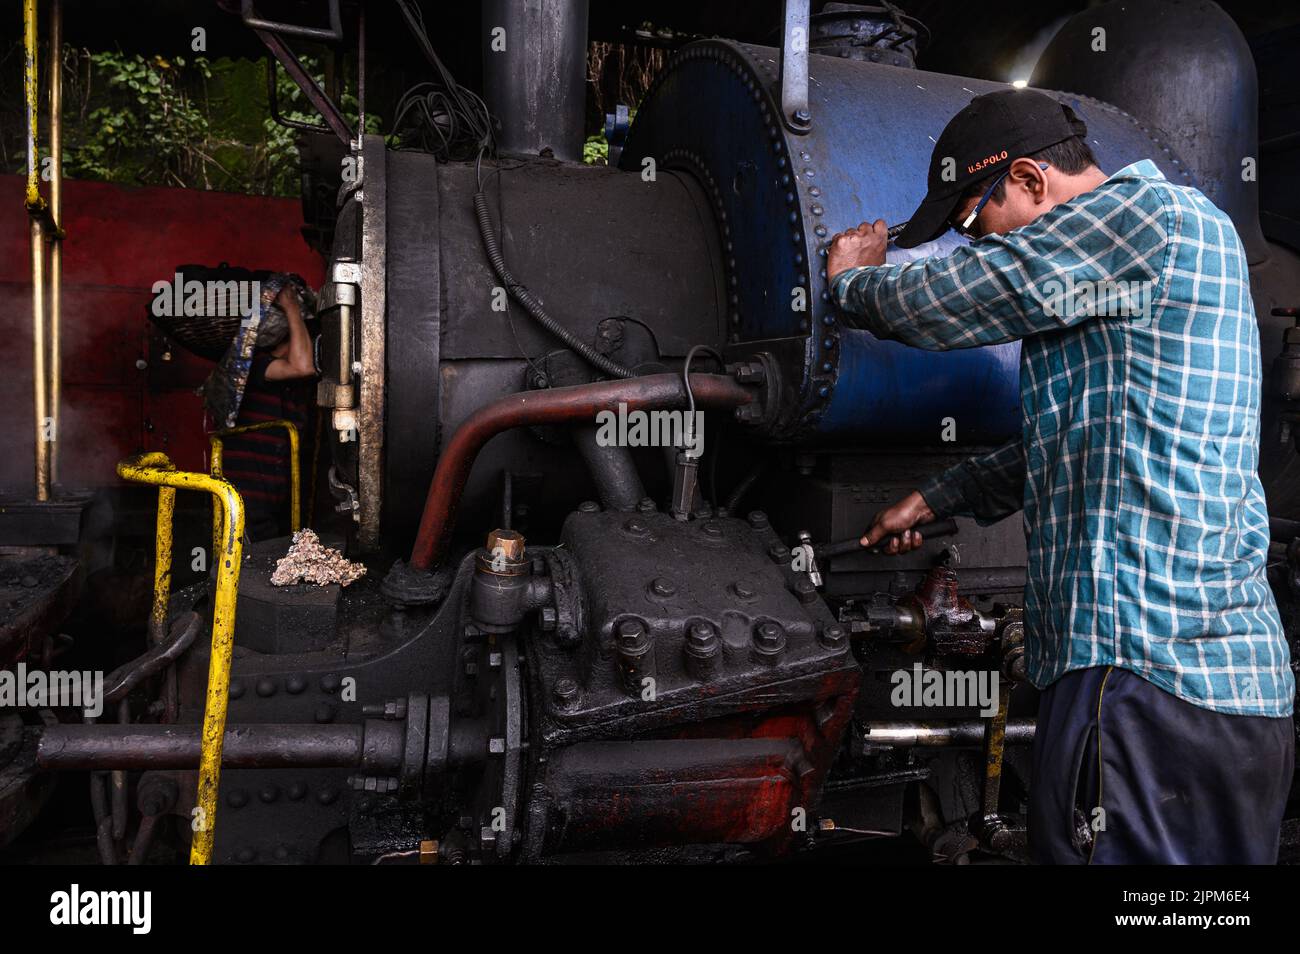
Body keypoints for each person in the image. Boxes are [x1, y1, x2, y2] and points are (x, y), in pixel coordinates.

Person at [826, 88, 1294, 863]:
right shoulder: (1155, 260)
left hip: (1142, 684)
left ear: (1034, 181)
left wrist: (852, 284)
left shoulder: (1145, 219)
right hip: (1223, 698)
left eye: (977, 221)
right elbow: (1082, 438)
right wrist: (938, 494)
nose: (978, 246)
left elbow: (968, 297)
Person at [218, 284, 315, 541]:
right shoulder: (253, 365)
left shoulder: (290, 387)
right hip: (245, 498)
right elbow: (303, 366)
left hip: (274, 496)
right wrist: (292, 306)